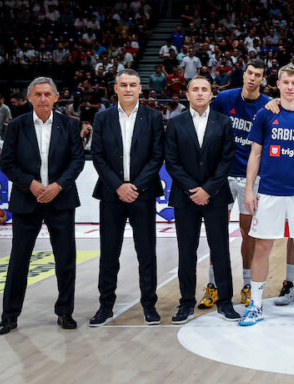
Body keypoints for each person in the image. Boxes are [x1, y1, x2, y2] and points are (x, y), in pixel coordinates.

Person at [0, 77, 85, 335]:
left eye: (48, 94)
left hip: (61, 199)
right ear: (29, 98)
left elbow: (77, 161)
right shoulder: (16, 126)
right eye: (38, 94)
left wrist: (58, 185)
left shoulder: (70, 125)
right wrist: (30, 184)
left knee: (65, 259)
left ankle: (65, 312)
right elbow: (7, 163)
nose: (43, 98)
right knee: (19, 260)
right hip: (27, 200)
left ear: (56, 97)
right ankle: (9, 316)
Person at [240, 64, 294, 326]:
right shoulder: (265, 115)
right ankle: (255, 305)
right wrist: (249, 189)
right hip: (269, 192)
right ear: (278, 85)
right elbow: (255, 154)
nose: (290, 87)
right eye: (285, 82)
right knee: (262, 247)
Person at [88, 70, 166, 327]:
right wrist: (118, 186)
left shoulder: (153, 117)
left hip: (143, 194)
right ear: (116, 89)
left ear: (140, 89)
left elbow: (157, 156)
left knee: (146, 253)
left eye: (133, 84)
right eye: (124, 85)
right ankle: (105, 305)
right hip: (111, 194)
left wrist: (136, 187)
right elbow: (98, 156)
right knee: (109, 253)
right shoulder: (103, 117)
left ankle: (149, 305)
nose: (129, 89)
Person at [165, 76, 240, 323]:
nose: (199, 93)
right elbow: (171, 161)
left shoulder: (223, 122)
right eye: (195, 89)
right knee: (186, 251)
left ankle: (225, 302)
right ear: (187, 95)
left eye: (204, 89)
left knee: (220, 250)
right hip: (184, 197)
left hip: (215, 195)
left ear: (211, 95)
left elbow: (226, 159)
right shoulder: (175, 123)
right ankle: (186, 302)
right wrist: (192, 189)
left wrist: (207, 189)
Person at [204, 59, 270, 310]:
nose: (252, 78)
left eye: (258, 75)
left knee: (248, 234)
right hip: (223, 176)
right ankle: (213, 285)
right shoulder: (224, 99)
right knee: (217, 232)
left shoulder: (267, 105)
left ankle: (247, 285)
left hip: (251, 178)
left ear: (263, 79)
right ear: (244, 75)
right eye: (249, 73)